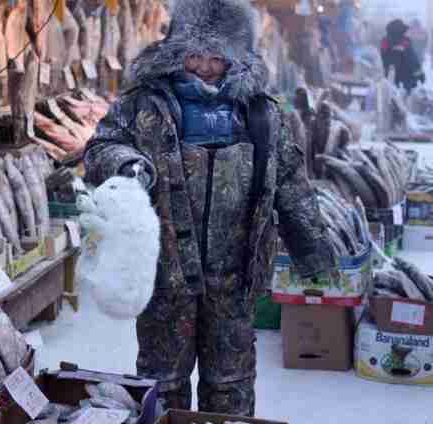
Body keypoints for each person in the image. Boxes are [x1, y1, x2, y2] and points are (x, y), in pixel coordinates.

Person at [83, 0, 338, 416]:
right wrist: (125, 164)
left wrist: (313, 251)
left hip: (235, 280)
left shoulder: (261, 113)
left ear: (236, 57)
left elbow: (291, 181)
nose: (203, 66)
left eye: (216, 56)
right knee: (162, 383)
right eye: (194, 54)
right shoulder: (144, 103)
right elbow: (99, 149)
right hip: (166, 275)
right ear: (176, 49)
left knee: (230, 386)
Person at [381, 19, 425, 94]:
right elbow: (412, 60)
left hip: (390, 78)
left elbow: (383, 58)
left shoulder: (384, 42)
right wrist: (420, 74)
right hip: (407, 79)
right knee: (406, 101)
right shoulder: (405, 42)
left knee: (390, 100)